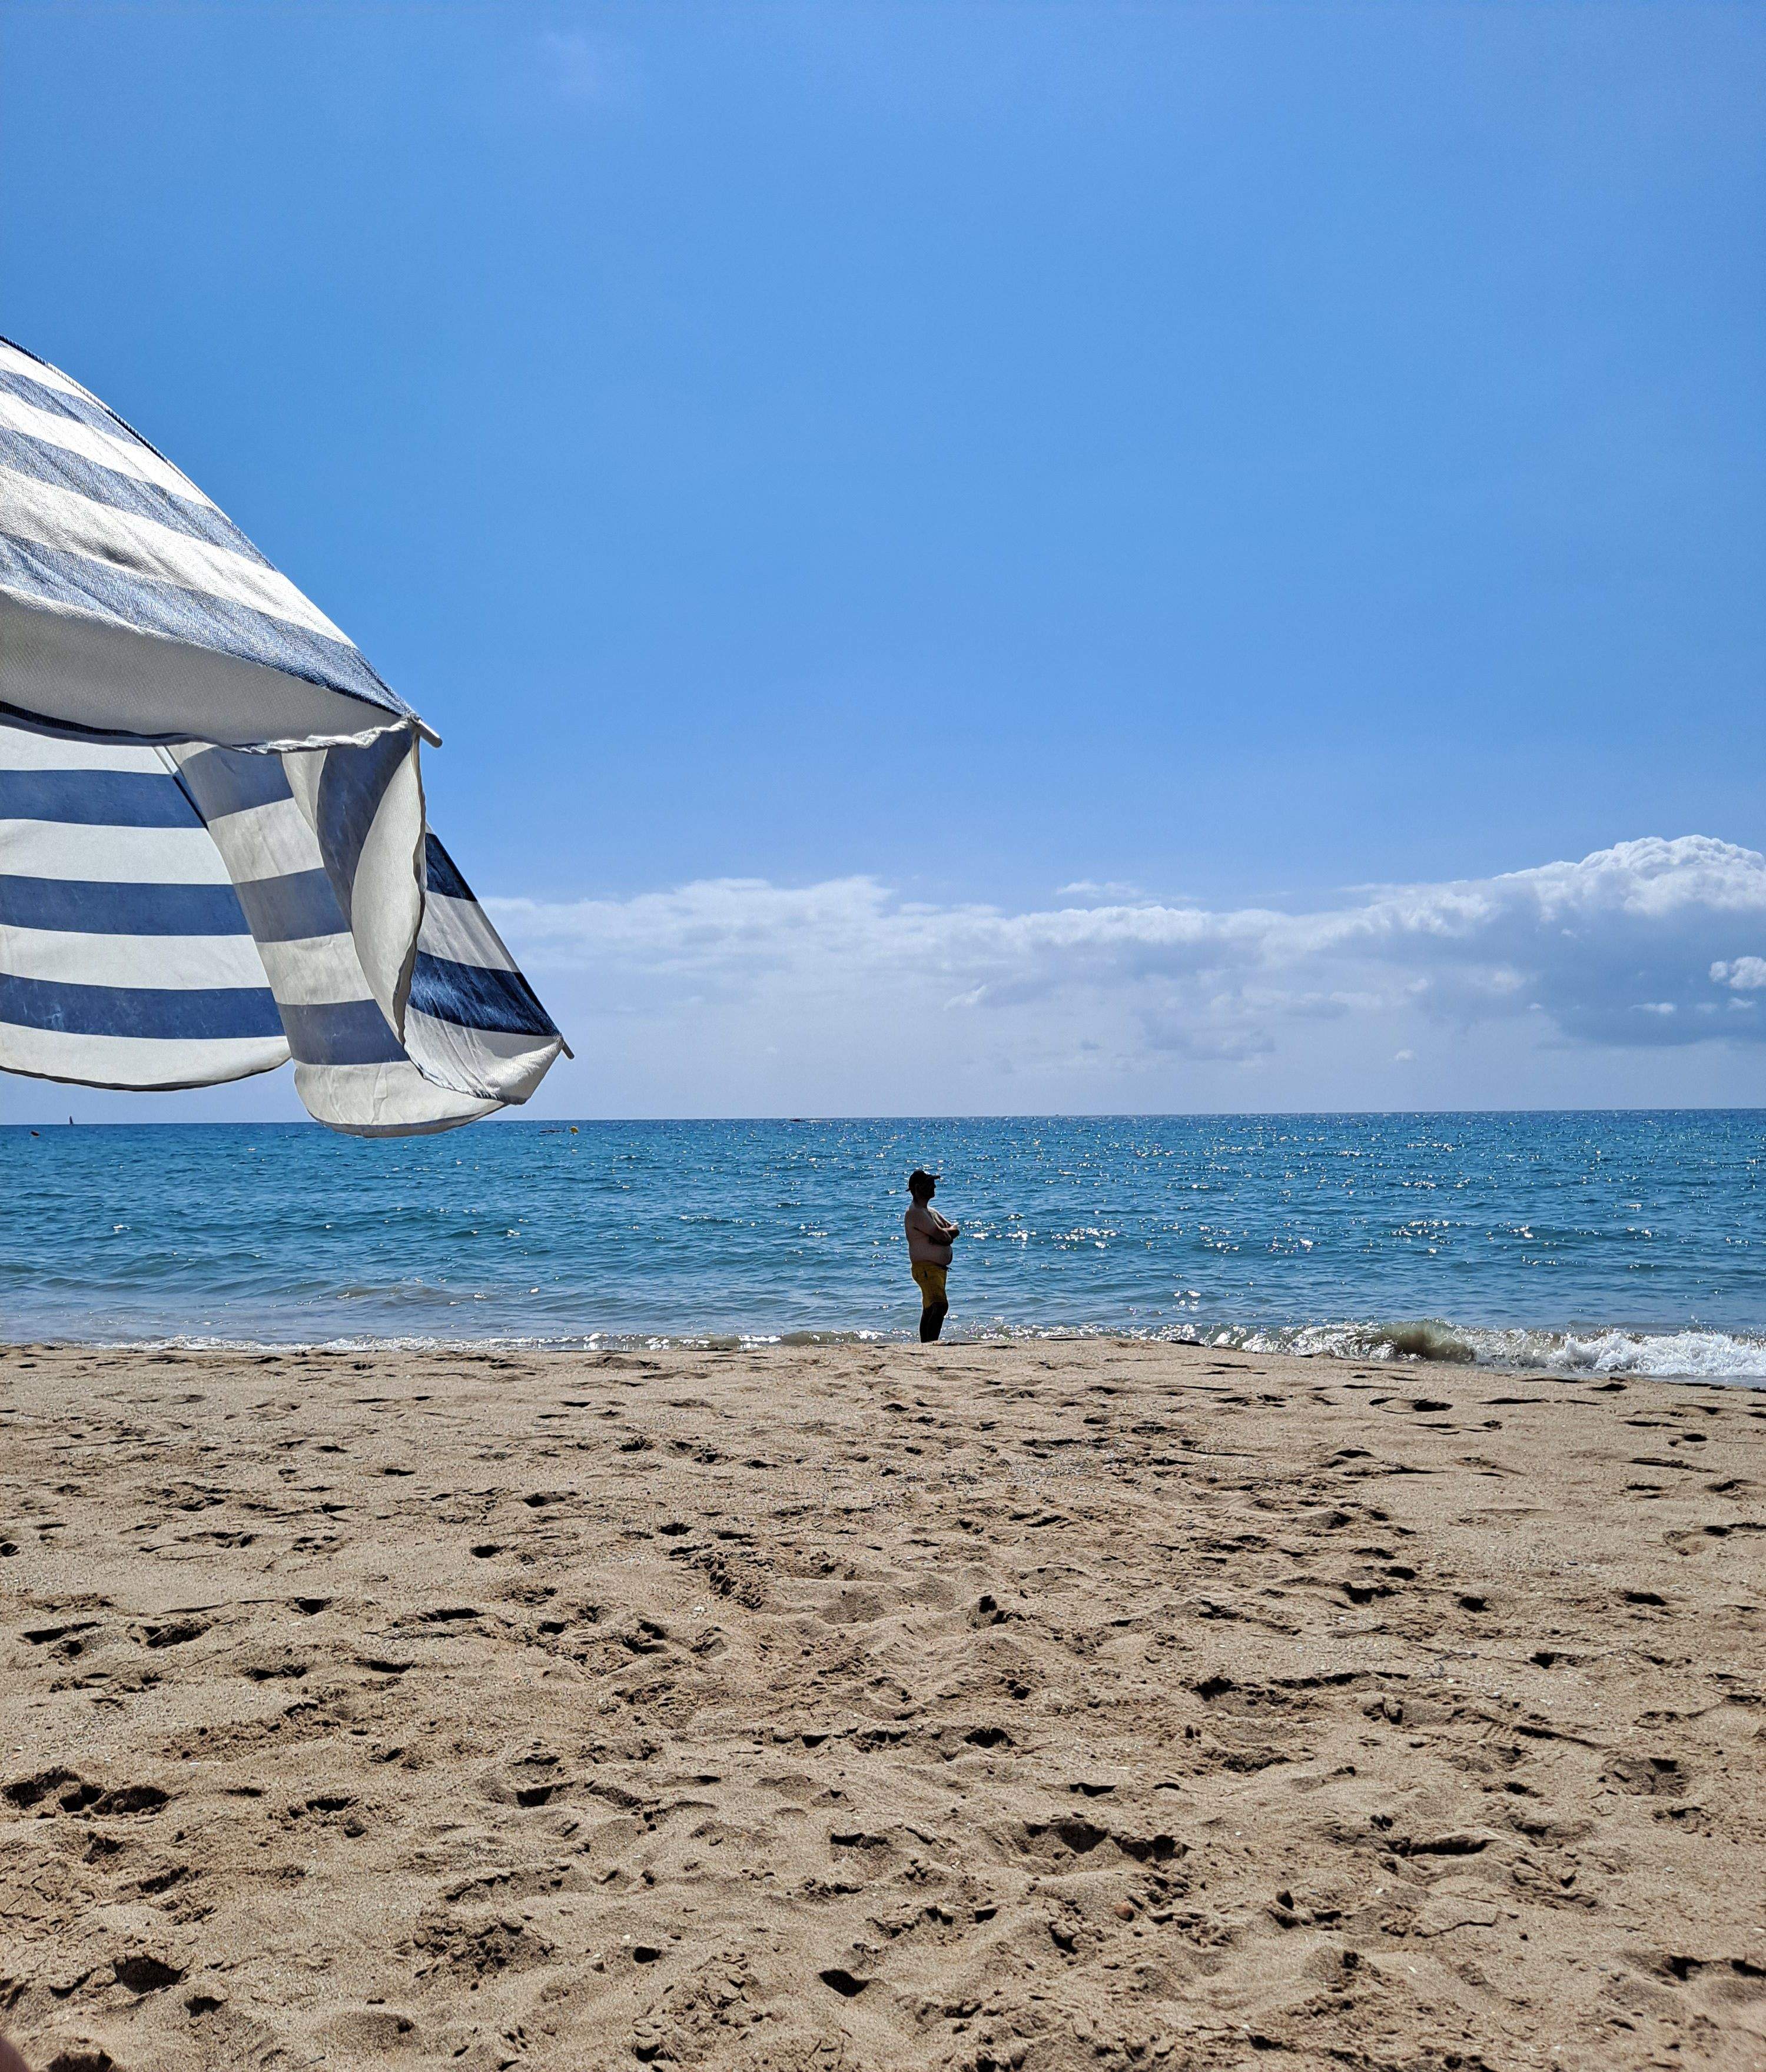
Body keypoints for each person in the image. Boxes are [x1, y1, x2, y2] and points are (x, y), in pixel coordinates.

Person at [904, 1167, 960, 1342]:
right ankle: (931, 1344)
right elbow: (944, 1236)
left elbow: (954, 1229)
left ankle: (926, 1344)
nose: (934, 1186)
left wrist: (941, 1236)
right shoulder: (916, 1213)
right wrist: (941, 1236)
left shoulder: (930, 1212)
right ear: (919, 1188)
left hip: (935, 1269)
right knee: (940, 1305)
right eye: (930, 1183)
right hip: (926, 1269)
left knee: (930, 1308)